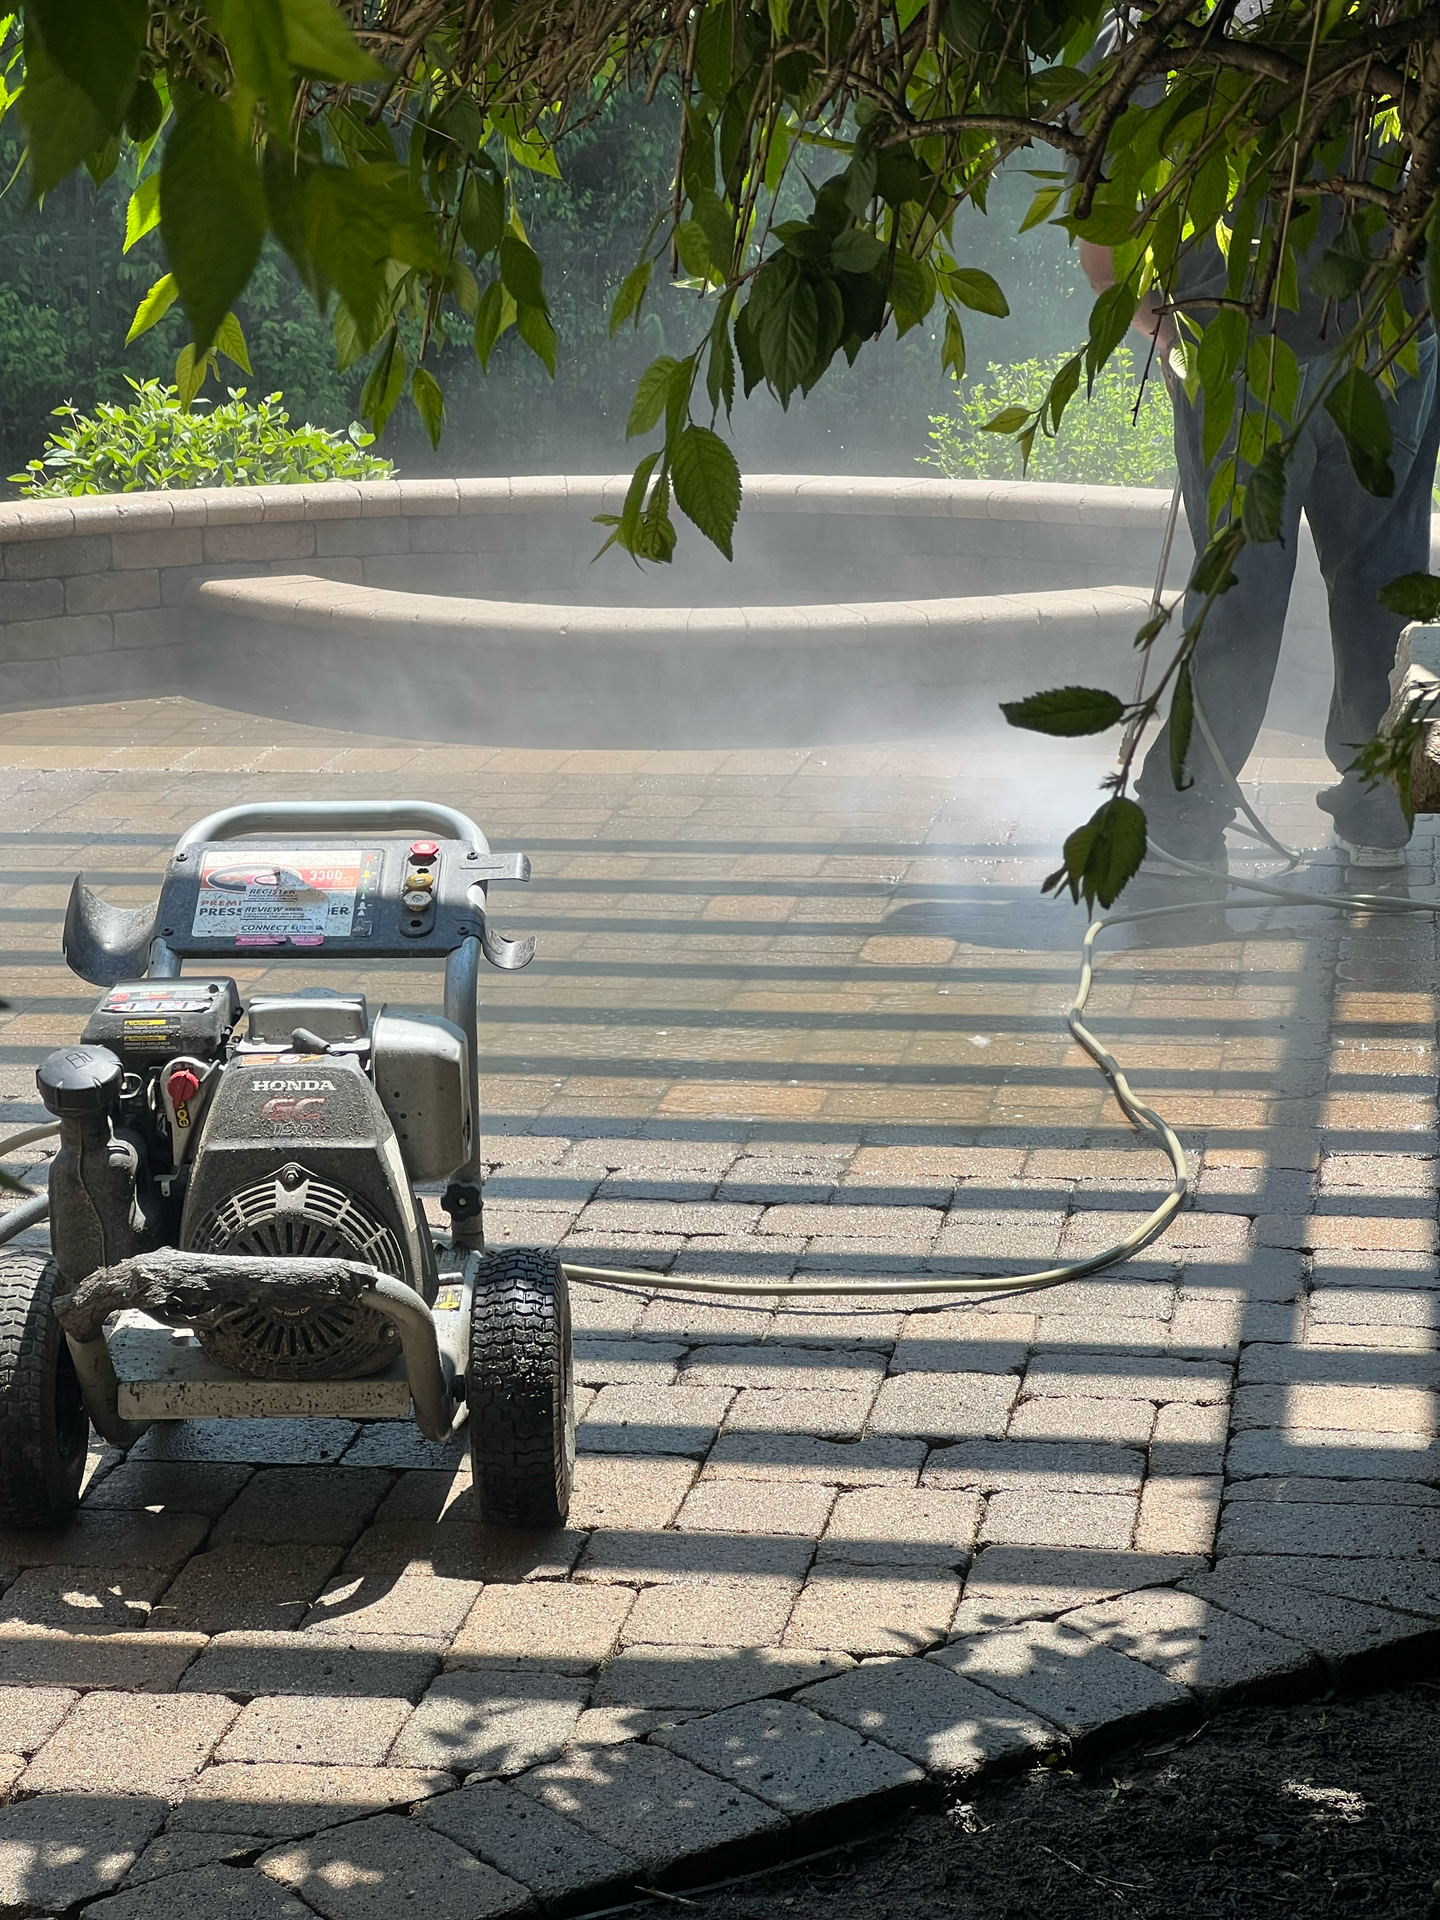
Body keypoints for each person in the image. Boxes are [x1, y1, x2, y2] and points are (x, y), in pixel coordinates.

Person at [1077, 32, 1440, 874]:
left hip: (1257, 358)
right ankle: (1375, 815)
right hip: (1386, 348)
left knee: (1242, 591)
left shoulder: (1149, 39)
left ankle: (1187, 818)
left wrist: (1174, 338)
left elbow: (1105, 258)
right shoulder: (1404, 31)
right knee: (1377, 586)